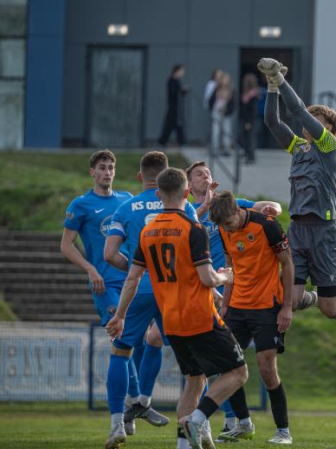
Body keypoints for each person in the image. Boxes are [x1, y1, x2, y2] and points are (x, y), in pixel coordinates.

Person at [106, 168, 249, 449]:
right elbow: (207, 277)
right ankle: (197, 419)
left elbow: (132, 279)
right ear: (186, 193)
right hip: (199, 316)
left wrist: (121, 315)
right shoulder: (193, 228)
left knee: (194, 380)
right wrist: (225, 276)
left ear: (159, 195)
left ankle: (182, 445)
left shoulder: (147, 232)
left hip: (170, 322)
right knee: (238, 372)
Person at [258, 57, 336, 319]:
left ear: (327, 128)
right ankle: (316, 294)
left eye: (315, 119)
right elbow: (272, 121)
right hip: (298, 229)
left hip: (323, 230)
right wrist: (271, 87)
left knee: (331, 310)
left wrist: (280, 80)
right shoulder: (298, 147)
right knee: (289, 298)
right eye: (310, 119)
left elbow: (298, 110)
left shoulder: (329, 146)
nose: (307, 122)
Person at [61, 150, 161, 445]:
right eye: (102, 168)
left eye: (111, 167)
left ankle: (135, 405)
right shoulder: (81, 204)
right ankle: (134, 403)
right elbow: (66, 246)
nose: (107, 172)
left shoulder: (127, 200)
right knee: (122, 341)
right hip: (105, 284)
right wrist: (91, 268)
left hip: (136, 281)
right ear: (92, 172)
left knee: (139, 342)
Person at [103, 152, 200, 447]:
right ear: (167, 174)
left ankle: (118, 424)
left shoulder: (125, 208)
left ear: (140, 177)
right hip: (175, 290)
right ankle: (198, 425)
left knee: (121, 352)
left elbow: (108, 254)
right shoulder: (185, 206)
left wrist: (137, 267)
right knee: (193, 361)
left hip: (142, 288)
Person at [185, 160, 281, 438]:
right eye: (198, 175)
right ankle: (220, 420)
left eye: (208, 173)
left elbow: (270, 208)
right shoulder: (190, 213)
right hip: (207, 289)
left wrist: (272, 209)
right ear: (189, 186)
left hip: (233, 290)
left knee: (229, 361)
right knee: (213, 362)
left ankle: (228, 421)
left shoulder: (231, 205)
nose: (206, 177)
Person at [209, 191, 295, 444]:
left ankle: (283, 431)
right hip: (236, 306)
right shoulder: (224, 229)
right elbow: (229, 266)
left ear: (237, 210)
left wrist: (287, 307)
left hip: (267, 306)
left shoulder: (266, 225)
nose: (227, 228)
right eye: (222, 226)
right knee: (228, 365)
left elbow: (288, 264)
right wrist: (225, 304)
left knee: (267, 369)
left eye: (228, 223)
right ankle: (244, 423)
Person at [159, 64, 188, 146]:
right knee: (171, 125)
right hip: (173, 107)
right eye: (182, 71)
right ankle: (163, 141)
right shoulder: (171, 80)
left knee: (176, 125)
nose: (183, 73)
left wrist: (183, 91)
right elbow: (173, 93)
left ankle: (180, 141)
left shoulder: (177, 81)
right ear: (177, 71)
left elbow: (178, 93)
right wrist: (181, 91)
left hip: (177, 107)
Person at [209, 72, 234, 156]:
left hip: (226, 113)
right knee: (215, 131)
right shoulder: (217, 89)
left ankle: (227, 149)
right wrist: (212, 108)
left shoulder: (231, 89)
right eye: (223, 78)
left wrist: (228, 111)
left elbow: (233, 103)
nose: (225, 80)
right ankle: (214, 149)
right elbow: (211, 100)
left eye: (226, 79)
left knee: (226, 131)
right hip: (216, 112)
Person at [238, 73, 260, 164]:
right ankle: (247, 153)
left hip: (250, 120)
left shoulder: (252, 95)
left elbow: (252, 111)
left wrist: (249, 122)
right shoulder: (248, 94)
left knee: (250, 138)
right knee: (245, 137)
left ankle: (251, 157)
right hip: (246, 119)